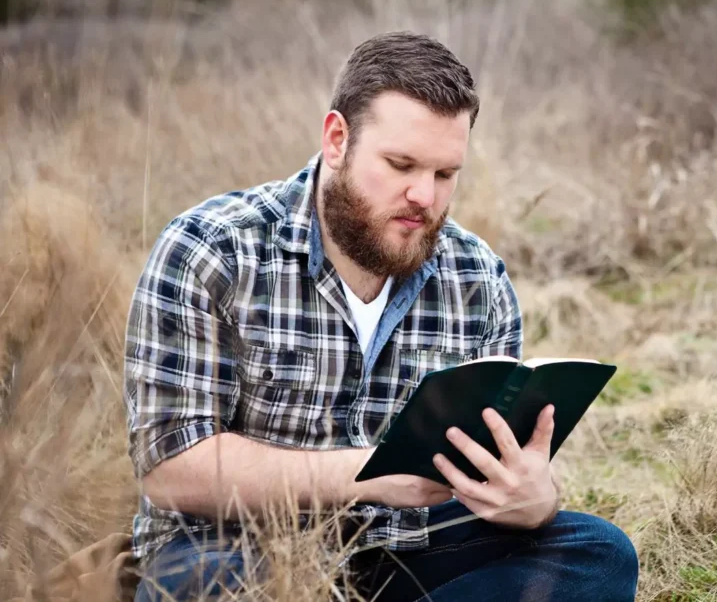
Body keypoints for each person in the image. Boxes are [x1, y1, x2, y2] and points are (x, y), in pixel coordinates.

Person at [123, 31, 639, 601]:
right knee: (203, 586)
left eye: (446, 175)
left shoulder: (478, 279)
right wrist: (367, 474)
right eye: (401, 165)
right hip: (238, 549)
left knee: (597, 554)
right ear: (337, 139)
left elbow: (498, 465)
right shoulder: (211, 250)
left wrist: (534, 500)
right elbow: (171, 470)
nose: (425, 195)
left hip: (412, 551)